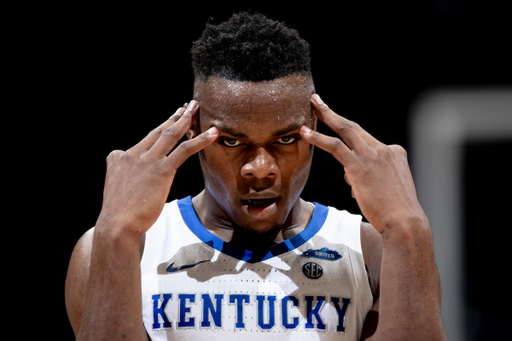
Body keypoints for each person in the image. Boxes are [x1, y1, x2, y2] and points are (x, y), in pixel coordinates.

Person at [65, 12, 446, 340]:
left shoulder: (370, 251)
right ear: (192, 130)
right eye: (232, 141)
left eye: (284, 139)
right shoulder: (120, 249)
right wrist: (115, 232)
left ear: (314, 127)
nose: (260, 169)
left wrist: (407, 225)